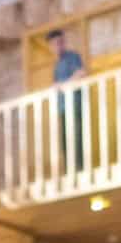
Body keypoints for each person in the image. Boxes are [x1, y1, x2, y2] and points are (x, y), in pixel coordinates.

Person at [47, 29, 86, 171]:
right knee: (65, 139)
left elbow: (81, 74)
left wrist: (63, 85)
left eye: (60, 42)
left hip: (74, 104)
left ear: (63, 43)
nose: (58, 46)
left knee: (76, 136)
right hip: (63, 107)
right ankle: (70, 169)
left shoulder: (72, 57)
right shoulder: (57, 66)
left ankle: (80, 168)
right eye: (54, 44)